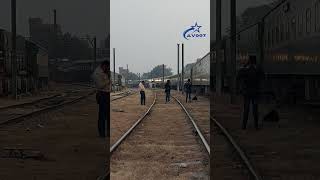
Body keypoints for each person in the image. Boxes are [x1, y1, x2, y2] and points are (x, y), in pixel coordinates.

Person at [236, 56, 265, 130]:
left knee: (246, 109)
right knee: (255, 109)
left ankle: (244, 126)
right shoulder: (258, 70)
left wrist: (245, 66)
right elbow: (263, 77)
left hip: (247, 92)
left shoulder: (245, 70)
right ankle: (256, 126)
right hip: (255, 92)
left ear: (249, 61)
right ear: (255, 62)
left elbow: (238, 76)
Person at [92, 60, 110, 138]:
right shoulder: (97, 73)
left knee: (108, 115)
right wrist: (108, 81)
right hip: (102, 95)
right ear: (104, 66)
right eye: (107, 67)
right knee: (102, 115)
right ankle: (102, 134)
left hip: (106, 94)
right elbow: (100, 85)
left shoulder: (105, 72)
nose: (108, 68)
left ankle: (108, 132)